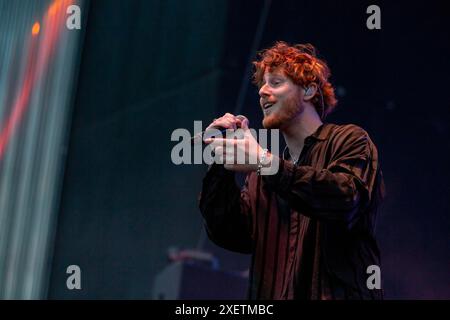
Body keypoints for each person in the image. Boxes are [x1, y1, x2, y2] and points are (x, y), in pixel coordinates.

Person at [198, 41, 385, 300]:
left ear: (308, 90)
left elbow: (345, 199)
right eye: (262, 84)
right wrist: (221, 161)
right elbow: (229, 234)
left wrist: (264, 162)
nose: (262, 91)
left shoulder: (350, 140)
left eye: (275, 83)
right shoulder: (259, 178)